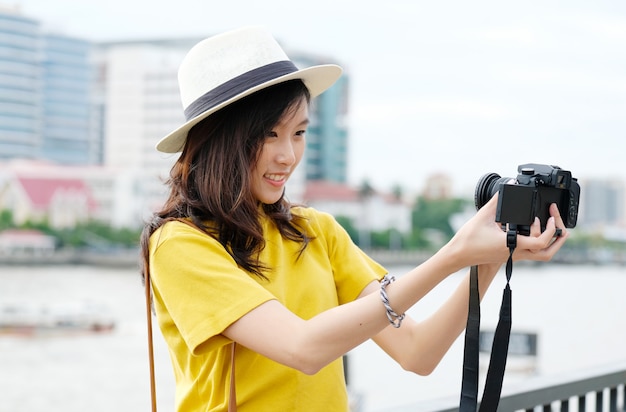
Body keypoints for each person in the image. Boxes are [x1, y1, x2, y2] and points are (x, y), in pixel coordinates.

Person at [140, 26, 568, 412]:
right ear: (219, 139)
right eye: (268, 134)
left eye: (299, 132)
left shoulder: (314, 230)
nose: (287, 155)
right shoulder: (181, 244)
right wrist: (453, 254)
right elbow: (302, 348)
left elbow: (417, 352)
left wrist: (487, 258)